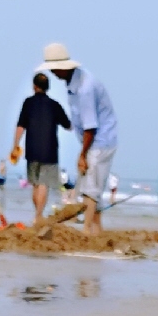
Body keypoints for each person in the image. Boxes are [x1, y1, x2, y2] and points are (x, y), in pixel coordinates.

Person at [42, 43, 116, 234]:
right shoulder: (73, 82)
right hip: (93, 141)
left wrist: (82, 155)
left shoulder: (84, 88)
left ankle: (86, 231)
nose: (52, 73)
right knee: (90, 186)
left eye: (53, 69)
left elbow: (91, 126)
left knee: (90, 190)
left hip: (100, 141)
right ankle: (96, 231)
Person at [9, 68, 71, 227]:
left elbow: (20, 126)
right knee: (44, 184)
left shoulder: (28, 103)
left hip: (32, 150)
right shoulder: (55, 105)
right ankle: (38, 216)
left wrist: (15, 144)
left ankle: (37, 216)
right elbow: (68, 126)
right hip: (50, 151)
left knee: (36, 184)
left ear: (34, 86)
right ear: (47, 87)